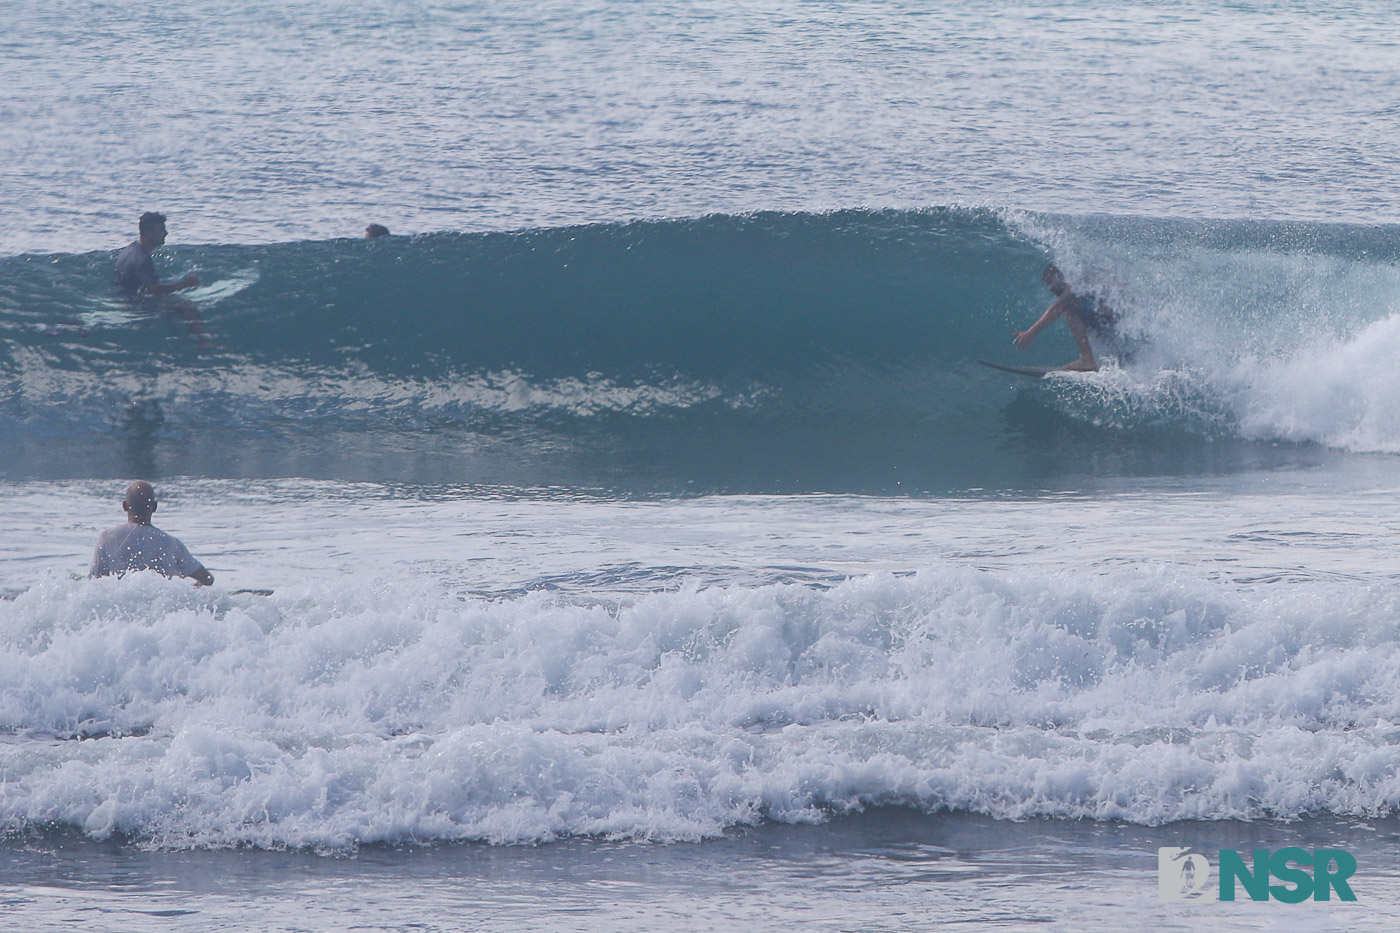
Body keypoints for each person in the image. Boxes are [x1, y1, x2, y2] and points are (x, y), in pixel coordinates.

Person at [114, 212, 214, 347]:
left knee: (173, 299)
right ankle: (204, 342)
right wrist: (186, 283)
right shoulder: (143, 260)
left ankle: (177, 334)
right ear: (149, 233)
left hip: (123, 297)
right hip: (134, 304)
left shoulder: (130, 249)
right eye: (161, 230)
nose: (166, 233)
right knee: (187, 306)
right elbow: (156, 291)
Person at [89, 481, 214, 586]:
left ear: (124, 506)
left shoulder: (107, 538)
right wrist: (191, 590)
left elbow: (93, 584)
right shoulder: (171, 543)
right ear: (154, 507)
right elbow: (207, 579)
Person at [1012, 264, 1119, 372]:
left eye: (1050, 281)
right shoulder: (1085, 282)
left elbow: (1056, 308)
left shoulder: (1076, 281)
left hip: (1116, 312)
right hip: (1119, 315)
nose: (1050, 287)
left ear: (1060, 276)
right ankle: (1121, 355)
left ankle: (1087, 360)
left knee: (1070, 310)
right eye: (1047, 284)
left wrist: (1030, 333)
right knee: (1085, 314)